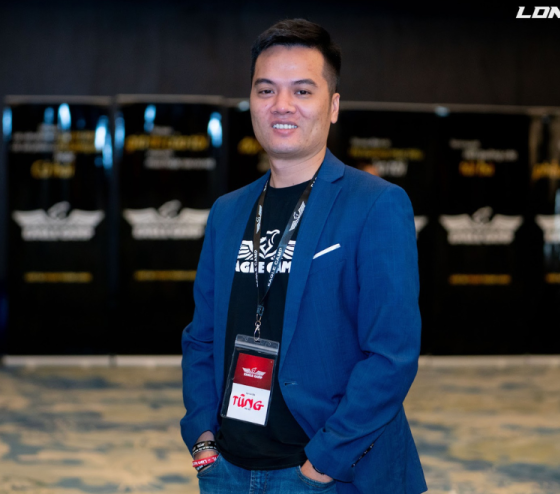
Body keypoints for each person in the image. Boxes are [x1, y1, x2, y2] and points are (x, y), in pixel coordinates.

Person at [181, 18, 426, 494]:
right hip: (227, 469)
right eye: (266, 90)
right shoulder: (228, 212)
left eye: (302, 91)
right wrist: (203, 440)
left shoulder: (376, 204)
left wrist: (322, 464)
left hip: (326, 473)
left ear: (332, 107)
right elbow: (202, 338)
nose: (282, 105)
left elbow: (391, 354)